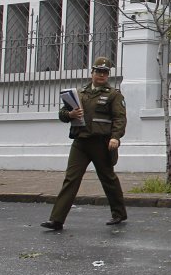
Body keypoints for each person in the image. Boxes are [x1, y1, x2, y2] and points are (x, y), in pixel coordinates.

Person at [41, 57, 128, 231]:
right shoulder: (79, 94)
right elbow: (62, 113)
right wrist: (70, 114)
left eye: (105, 72)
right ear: (92, 73)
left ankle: (119, 213)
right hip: (80, 142)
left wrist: (115, 137)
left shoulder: (113, 95)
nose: (101, 75)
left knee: (108, 178)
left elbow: (120, 118)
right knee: (71, 179)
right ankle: (56, 219)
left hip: (101, 143)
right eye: (98, 71)